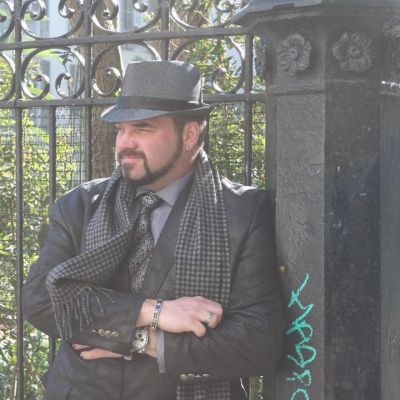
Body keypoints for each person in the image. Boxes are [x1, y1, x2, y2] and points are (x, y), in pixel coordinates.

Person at [22, 60, 285, 400]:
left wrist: (142, 340)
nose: (124, 143)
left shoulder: (241, 212)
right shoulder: (81, 205)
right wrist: (154, 311)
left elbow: (257, 342)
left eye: (142, 129)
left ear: (189, 135)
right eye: (121, 129)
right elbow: (41, 301)